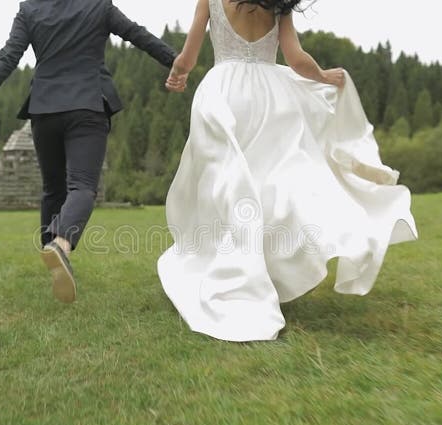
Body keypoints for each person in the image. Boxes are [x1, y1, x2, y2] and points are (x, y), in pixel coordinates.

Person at [158, 0, 419, 342]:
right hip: (270, 98)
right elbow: (296, 59)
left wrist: (178, 73)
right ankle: (261, 273)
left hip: (223, 92)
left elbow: (188, 56)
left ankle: (236, 271)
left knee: (228, 185)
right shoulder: (278, 4)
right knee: (273, 183)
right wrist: (324, 77)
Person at [0, 0, 178, 303]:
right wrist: (178, 62)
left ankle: (54, 256)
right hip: (87, 105)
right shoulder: (98, 6)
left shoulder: (29, 10)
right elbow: (137, 35)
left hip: (44, 110)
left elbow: (9, 55)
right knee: (83, 187)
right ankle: (61, 245)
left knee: (53, 190)